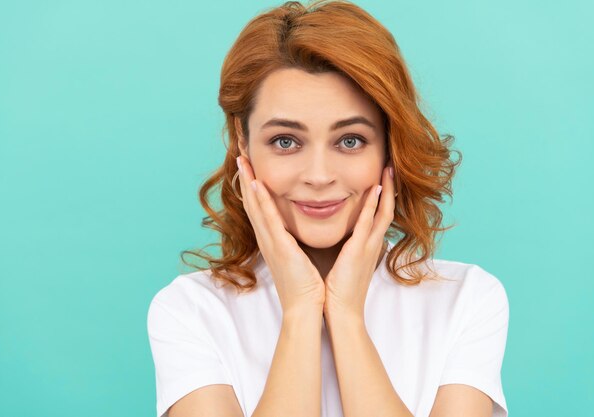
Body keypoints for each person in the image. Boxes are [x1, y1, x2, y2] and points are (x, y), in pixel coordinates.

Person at [147, 1, 510, 416]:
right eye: (285, 141)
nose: (318, 176)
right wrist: (301, 311)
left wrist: (347, 317)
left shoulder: (466, 300)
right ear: (243, 143)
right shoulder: (191, 312)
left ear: (389, 146)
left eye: (350, 140)